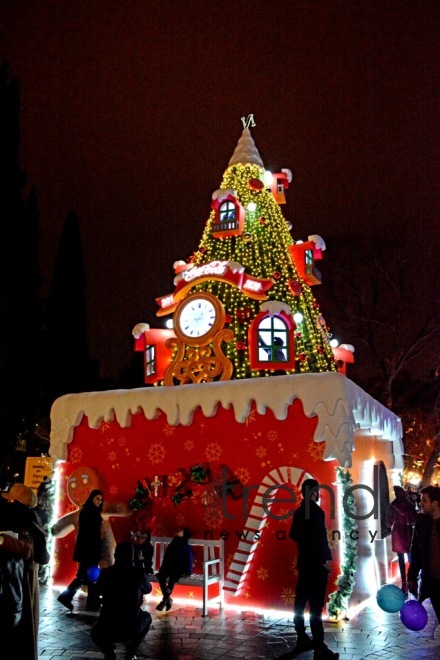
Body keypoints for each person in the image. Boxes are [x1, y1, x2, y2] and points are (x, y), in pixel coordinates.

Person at [283, 478, 339, 660]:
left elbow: (295, 534)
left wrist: (305, 548)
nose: (319, 494)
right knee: (316, 606)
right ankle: (319, 646)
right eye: (317, 491)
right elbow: (320, 539)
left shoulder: (300, 511)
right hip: (316, 564)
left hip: (304, 562)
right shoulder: (316, 512)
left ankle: (301, 636)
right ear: (313, 492)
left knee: (300, 601)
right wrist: (324, 560)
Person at [91, 541, 152, 660]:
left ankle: (109, 652)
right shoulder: (138, 573)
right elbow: (148, 589)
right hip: (131, 627)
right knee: (147, 617)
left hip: (107, 627)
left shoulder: (106, 573)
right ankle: (131, 651)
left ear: (115, 556)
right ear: (132, 556)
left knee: (95, 631)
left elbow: (96, 591)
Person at [0, 486, 40, 659]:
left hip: (20, 578)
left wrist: (3, 540)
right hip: (14, 578)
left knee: (21, 629)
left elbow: (27, 549)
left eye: (10, 499)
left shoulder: (24, 520)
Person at [57, 488, 104, 611]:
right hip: (90, 550)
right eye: (97, 498)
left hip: (88, 549)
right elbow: (90, 534)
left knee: (88, 575)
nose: (99, 501)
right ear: (92, 498)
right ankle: (69, 597)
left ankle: (89, 600)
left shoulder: (89, 510)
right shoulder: (90, 512)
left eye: (101, 499)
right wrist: (96, 549)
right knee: (88, 575)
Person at [407, 485, 440, 624]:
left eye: (424, 500)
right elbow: (416, 551)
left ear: (435, 503)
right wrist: (412, 576)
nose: (420, 503)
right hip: (431, 580)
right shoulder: (422, 523)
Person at [155, 528, 193, 612]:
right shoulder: (172, 544)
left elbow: (189, 559)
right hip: (169, 567)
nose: (177, 532)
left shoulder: (186, 547)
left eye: (180, 531)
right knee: (161, 577)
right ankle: (168, 599)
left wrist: (188, 571)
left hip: (179, 569)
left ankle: (164, 600)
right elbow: (166, 557)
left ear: (184, 535)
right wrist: (163, 568)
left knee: (172, 580)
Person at [388, 485, 417, 591]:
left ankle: (407, 580)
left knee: (405, 557)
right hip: (404, 531)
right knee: (408, 556)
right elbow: (414, 518)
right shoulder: (407, 504)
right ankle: (408, 580)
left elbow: (389, 520)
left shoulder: (395, 505)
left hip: (400, 531)